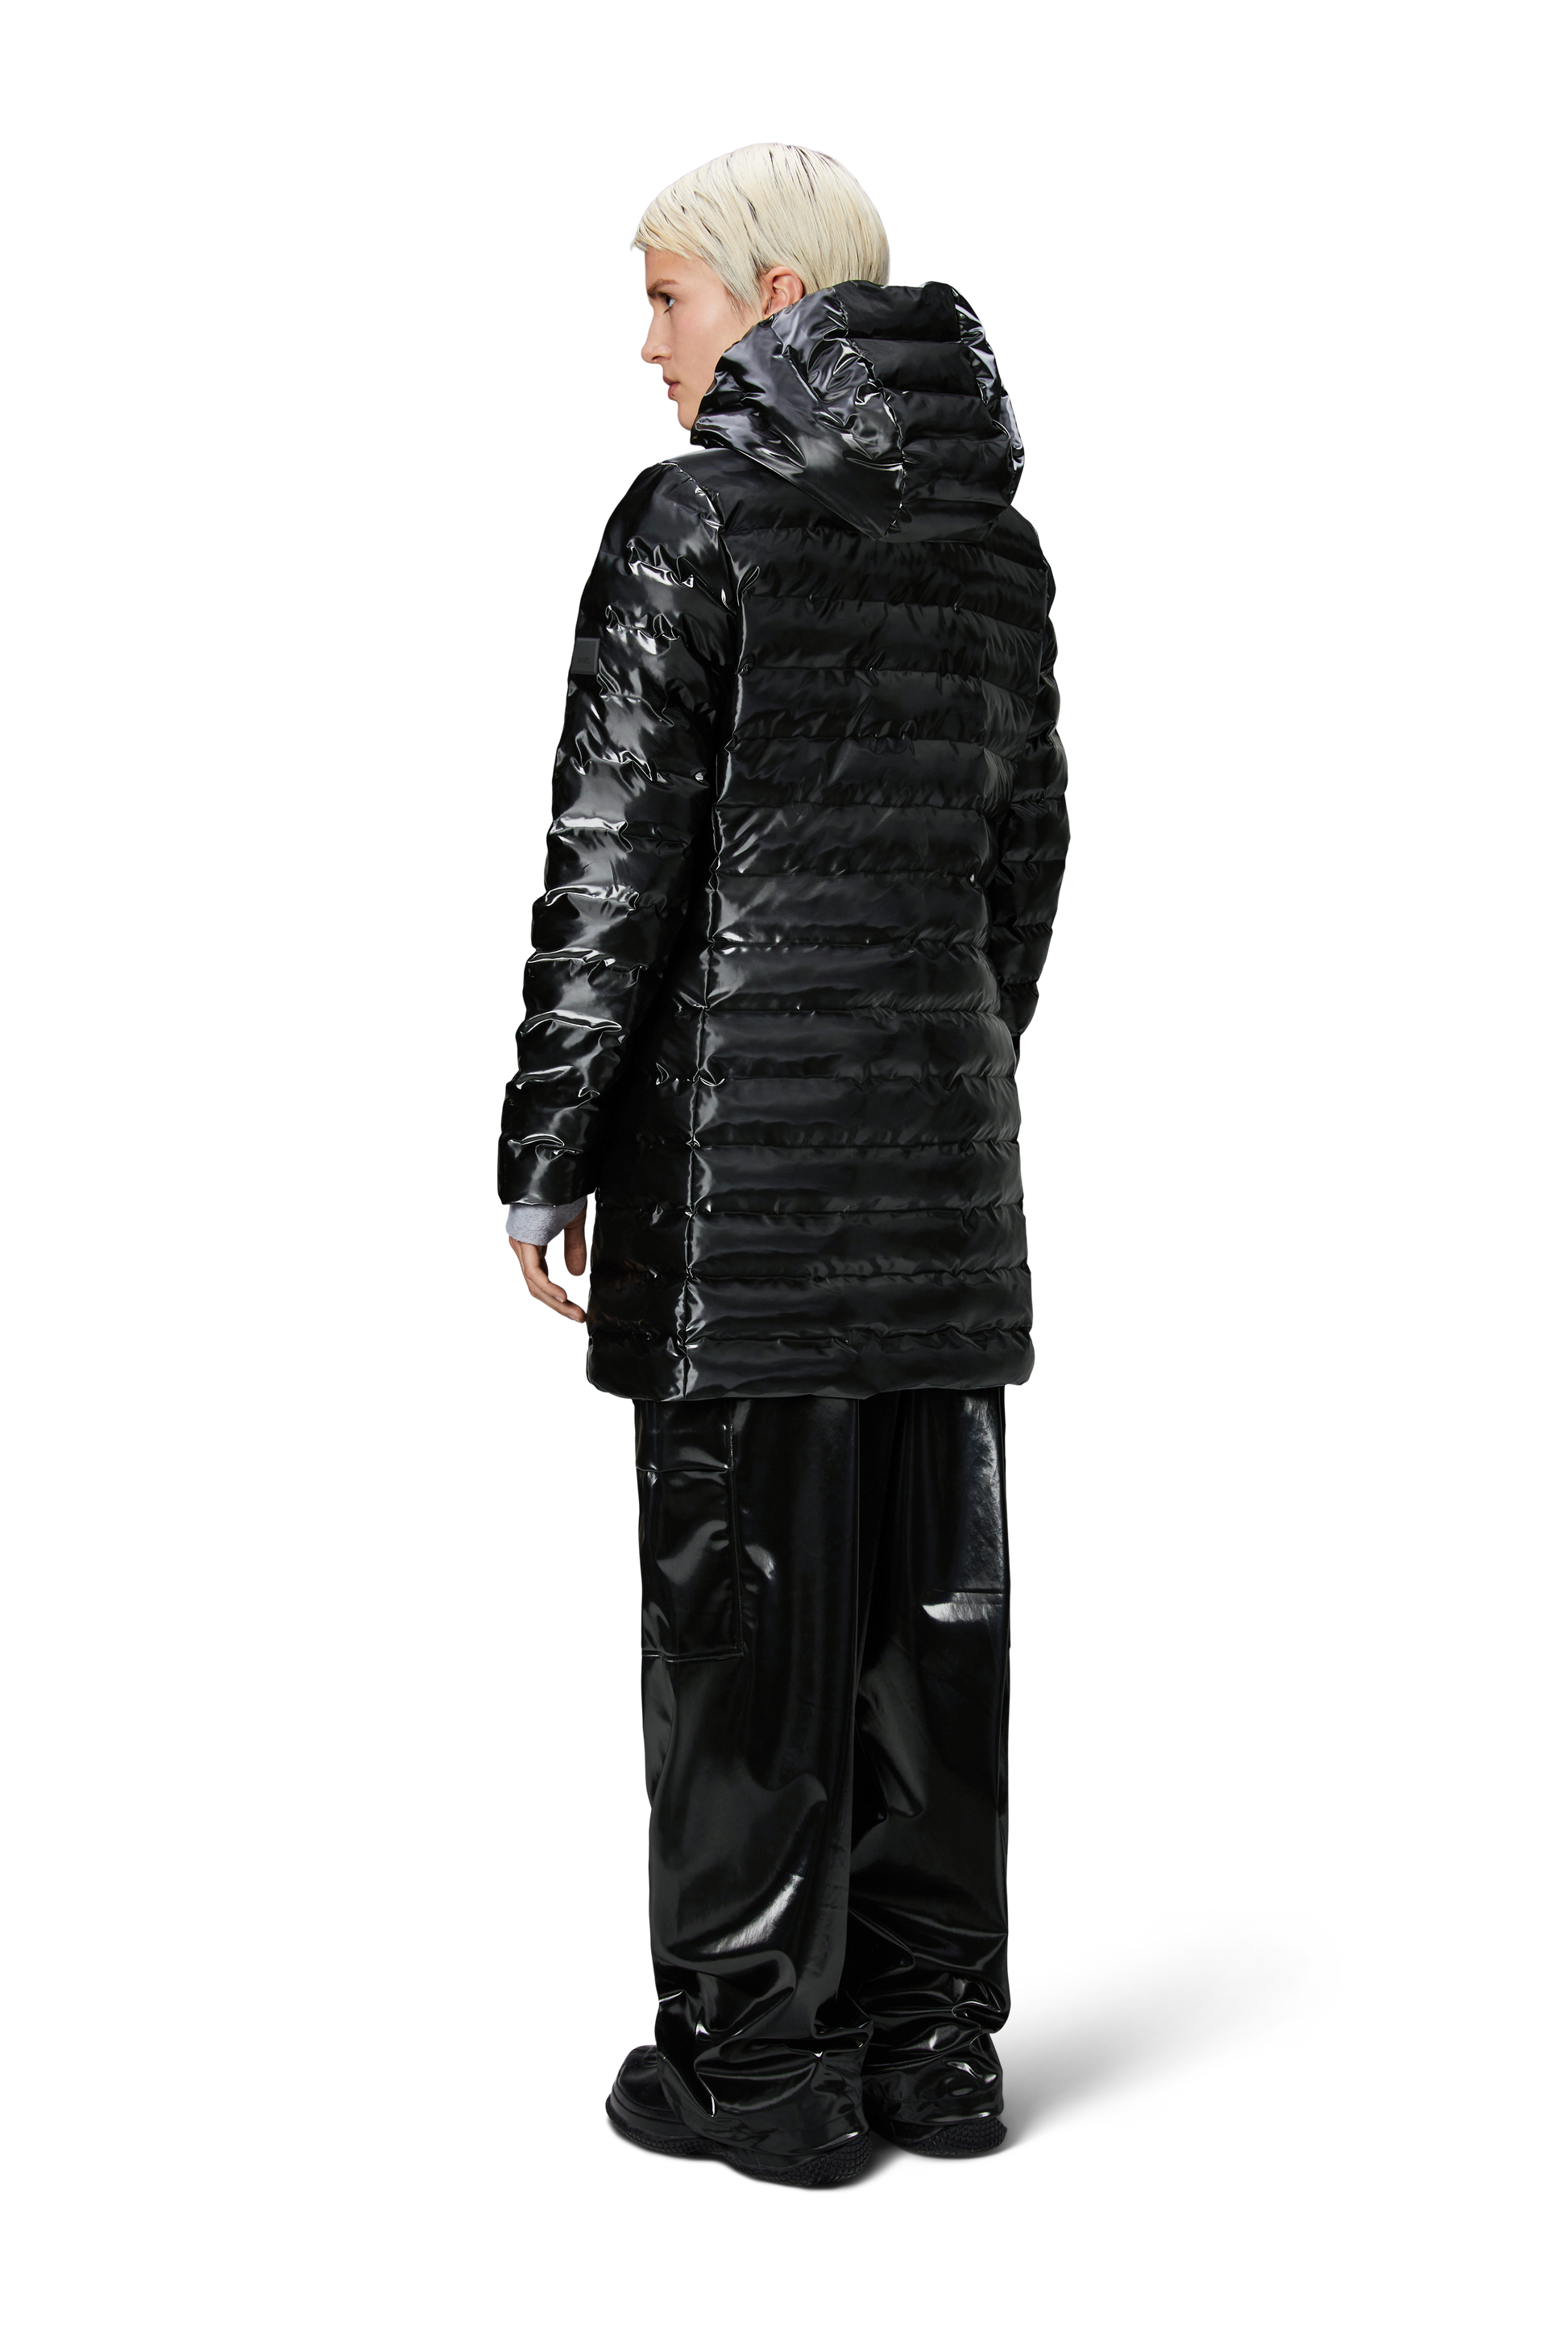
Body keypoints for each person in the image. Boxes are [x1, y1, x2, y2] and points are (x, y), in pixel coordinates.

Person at [495, 142, 1071, 2187]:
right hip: (946, 1191)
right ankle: (937, 2050)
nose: (647, 344)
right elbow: (1025, 871)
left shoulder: (691, 518)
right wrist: (944, 1090)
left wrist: (546, 1153)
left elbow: (609, 866)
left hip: (740, 1194)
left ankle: (759, 2069)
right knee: (937, 1636)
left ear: (768, 298)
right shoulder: (996, 541)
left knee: (740, 1631)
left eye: (665, 296)